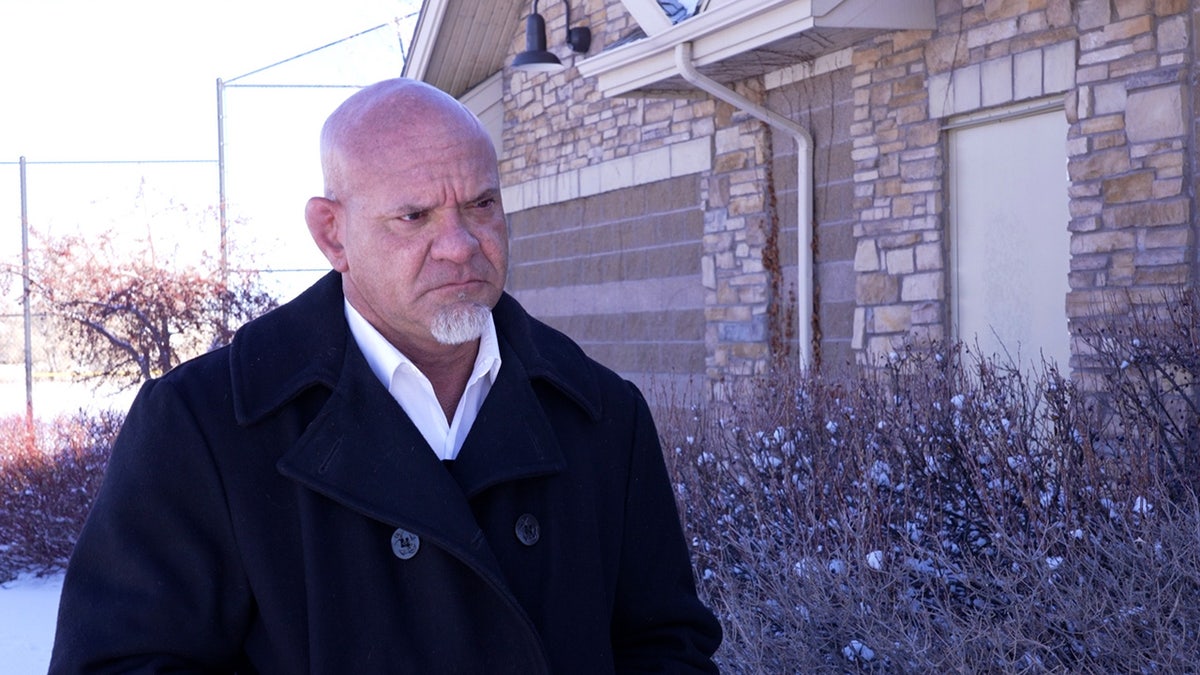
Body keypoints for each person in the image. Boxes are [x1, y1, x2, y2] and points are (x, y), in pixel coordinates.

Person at [49, 78, 722, 673]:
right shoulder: (205, 425)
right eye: (415, 215)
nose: (460, 244)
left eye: (482, 204)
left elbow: (665, 645)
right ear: (332, 233)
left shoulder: (602, 414)